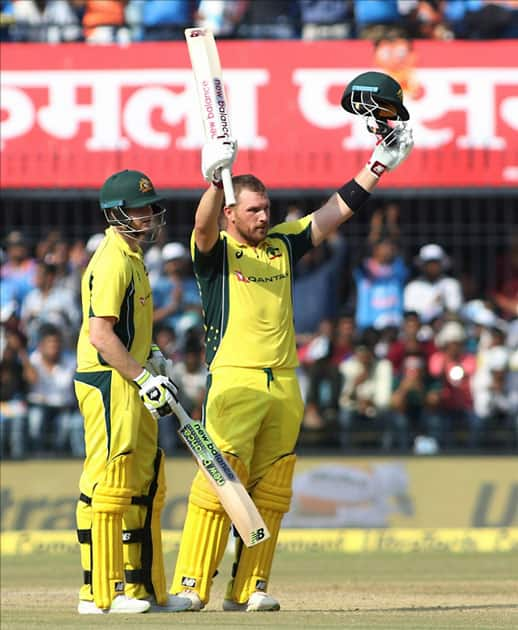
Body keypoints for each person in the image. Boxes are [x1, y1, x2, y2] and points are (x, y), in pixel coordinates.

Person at [168, 110, 413, 610]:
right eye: (254, 210)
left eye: (267, 208)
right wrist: (217, 178)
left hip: (283, 382)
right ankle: (190, 586)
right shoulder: (214, 254)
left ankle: (248, 589)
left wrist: (377, 165)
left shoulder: (281, 243)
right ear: (232, 213)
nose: (263, 217)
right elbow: (200, 224)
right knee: (221, 485)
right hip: (234, 381)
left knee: (274, 493)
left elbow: (334, 212)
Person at [74, 169, 191, 614]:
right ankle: (101, 595)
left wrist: (153, 357)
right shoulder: (111, 260)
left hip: (131, 377)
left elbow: (129, 327)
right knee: (110, 480)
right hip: (108, 379)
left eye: (149, 207)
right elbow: (100, 334)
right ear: (117, 212)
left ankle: (144, 589)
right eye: (140, 208)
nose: (149, 215)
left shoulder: (134, 257)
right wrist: (141, 377)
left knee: (145, 482)